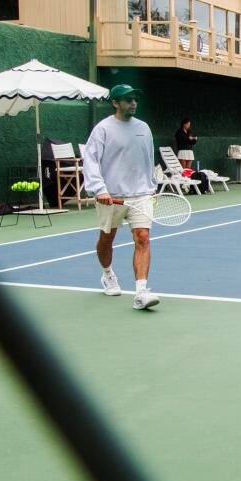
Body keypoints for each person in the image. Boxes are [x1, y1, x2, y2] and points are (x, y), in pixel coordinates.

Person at [83, 84, 161, 311]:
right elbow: (91, 161)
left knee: (143, 237)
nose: (133, 103)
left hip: (141, 194)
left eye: (135, 99)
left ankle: (141, 291)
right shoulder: (102, 129)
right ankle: (107, 274)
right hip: (111, 195)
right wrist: (100, 190)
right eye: (128, 100)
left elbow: (147, 157)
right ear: (115, 103)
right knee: (107, 238)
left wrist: (151, 185)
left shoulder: (144, 128)